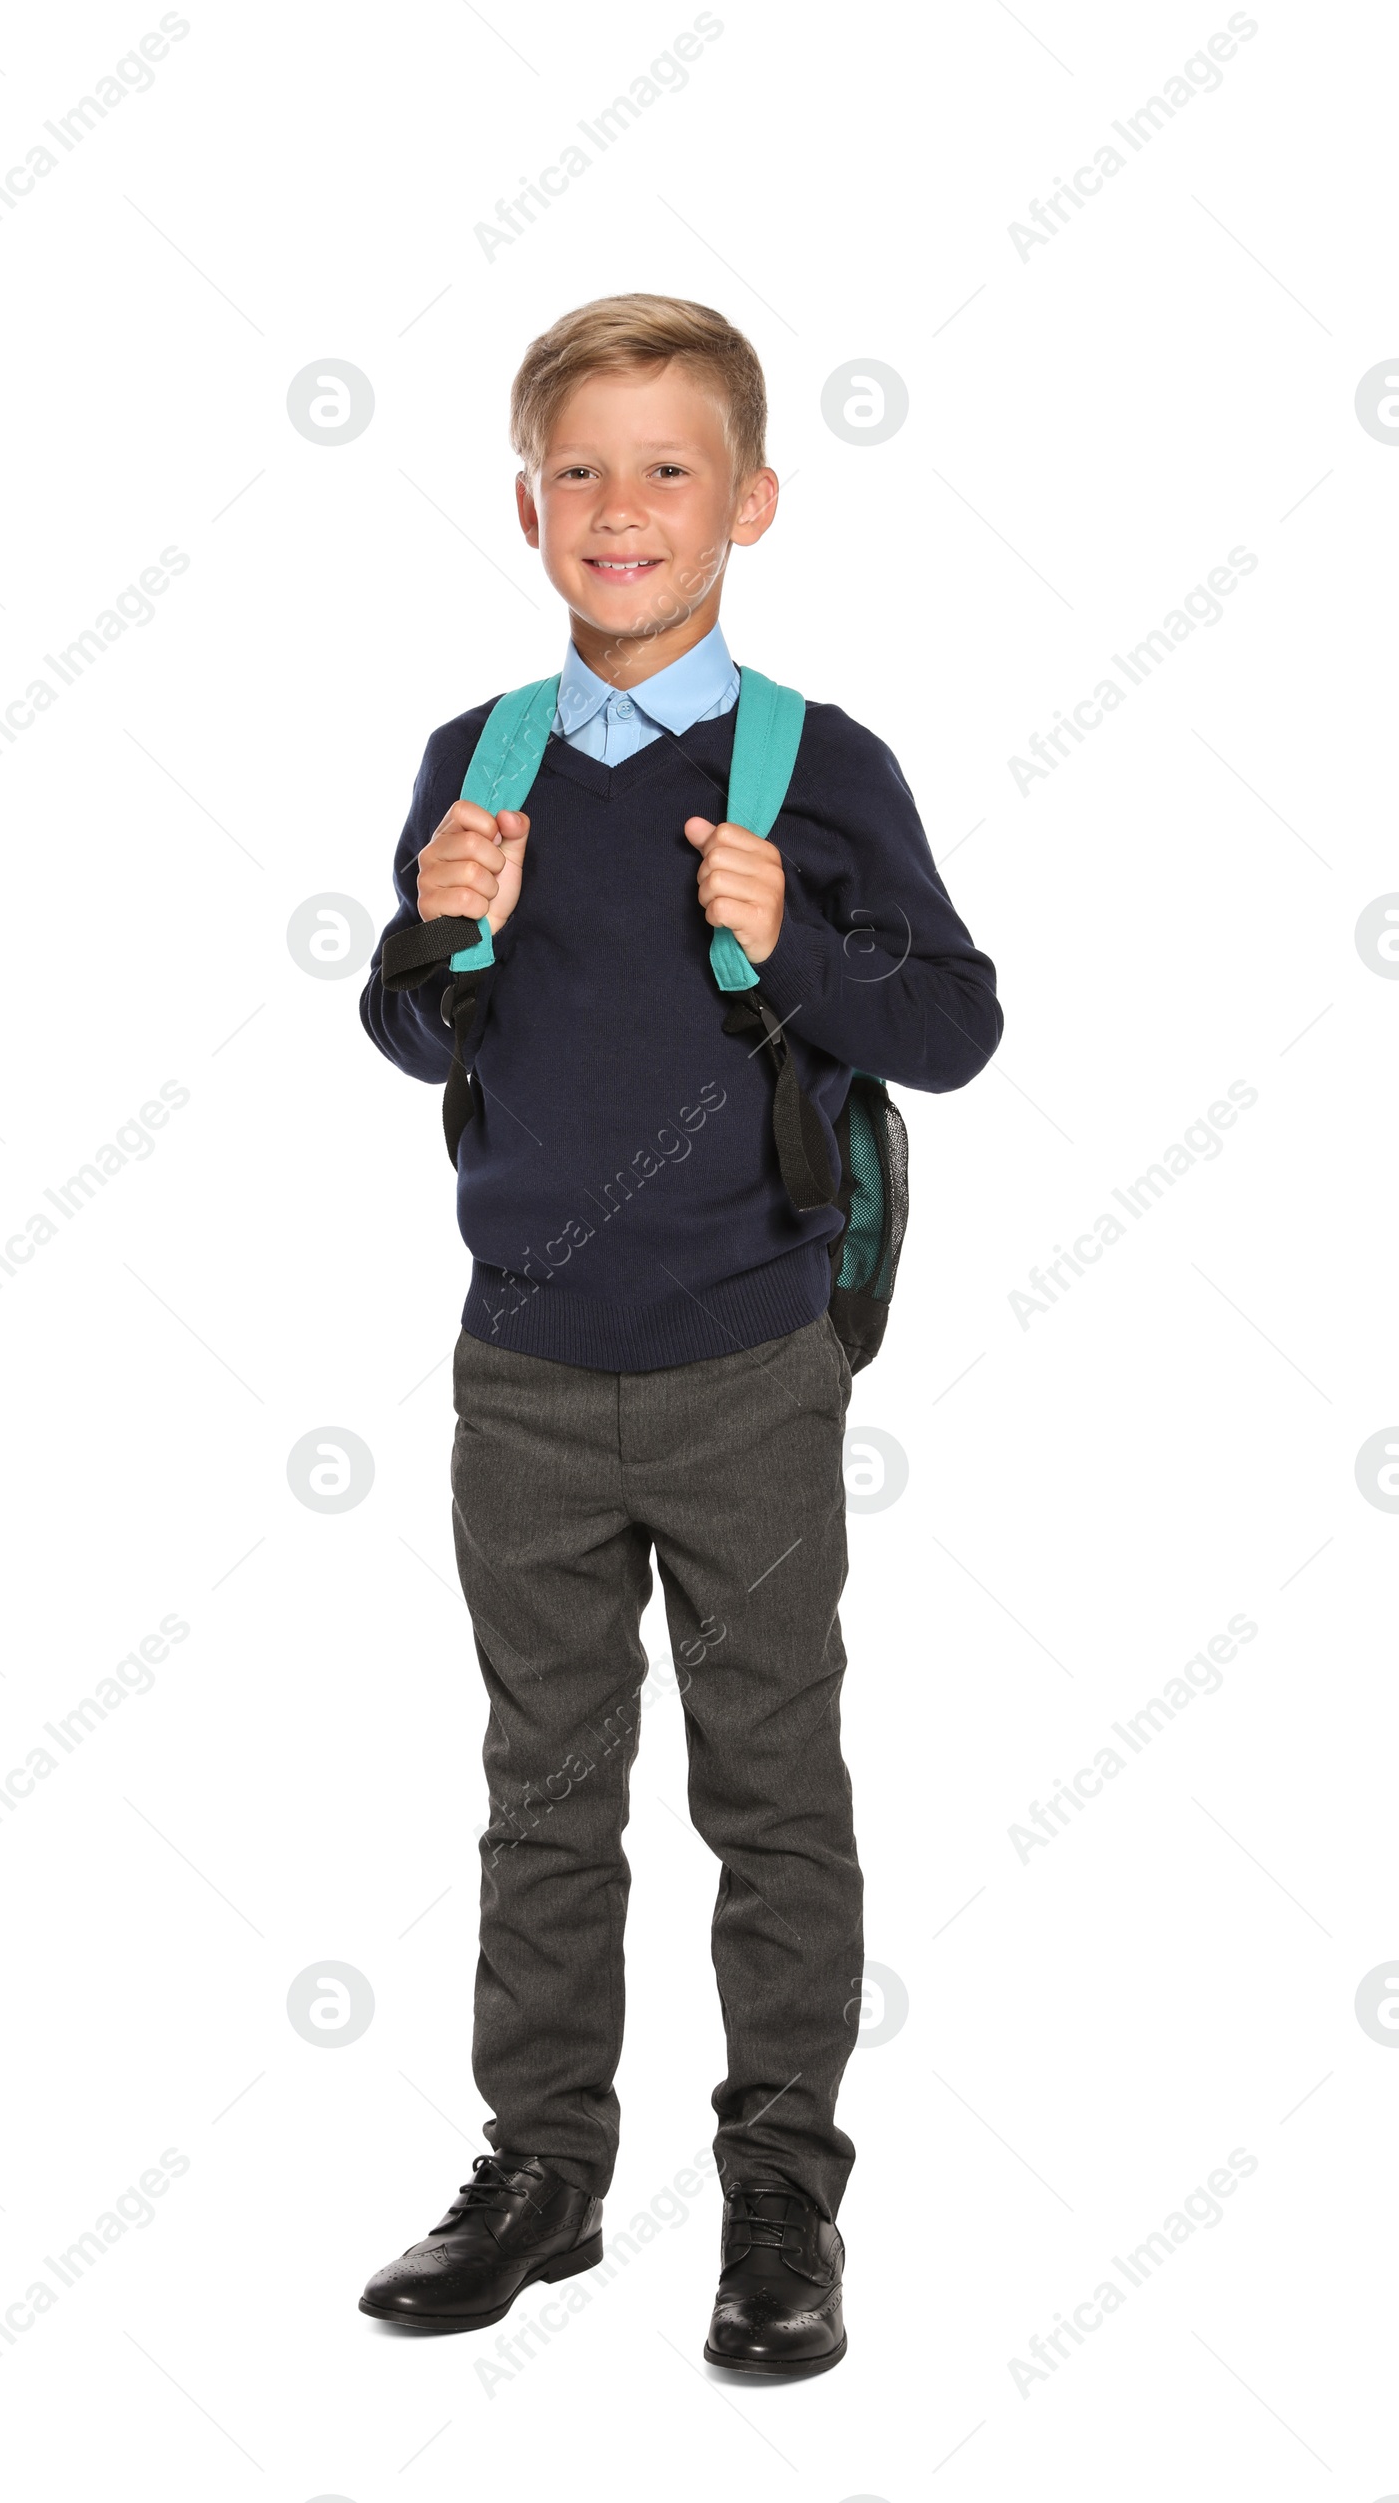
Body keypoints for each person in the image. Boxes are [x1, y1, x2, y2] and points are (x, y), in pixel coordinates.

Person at [356, 293, 1002, 2376]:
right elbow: (407, 1029)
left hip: (741, 1362)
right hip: (522, 1367)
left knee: (766, 1790)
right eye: (581, 470)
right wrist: (427, 926)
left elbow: (952, 1025)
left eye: (667, 469)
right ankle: (540, 2167)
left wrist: (790, 937)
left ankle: (776, 2181)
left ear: (749, 503)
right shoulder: (483, 757)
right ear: (525, 503)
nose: (620, 510)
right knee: (544, 1789)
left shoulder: (814, 769)